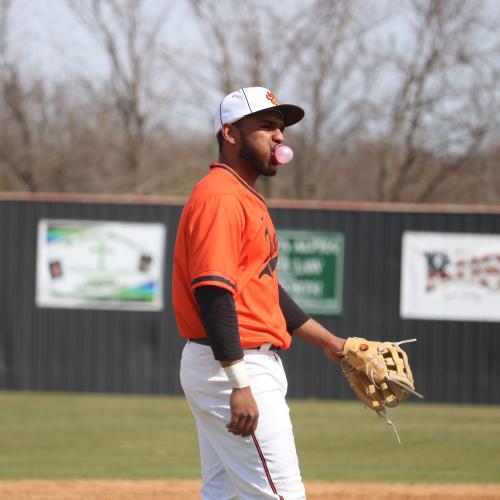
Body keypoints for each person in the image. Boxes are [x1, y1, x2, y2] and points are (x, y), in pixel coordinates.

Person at [172, 86, 346, 499]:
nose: (280, 138)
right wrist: (239, 382)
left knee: (226, 494)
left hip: (234, 364)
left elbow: (263, 291)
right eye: (266, 127)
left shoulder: (243, 198)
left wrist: (331, 343)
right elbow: (213, 294)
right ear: (231, 134)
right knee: (281, 495)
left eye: (281, 129)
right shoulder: (221, 198)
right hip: (234, 365)